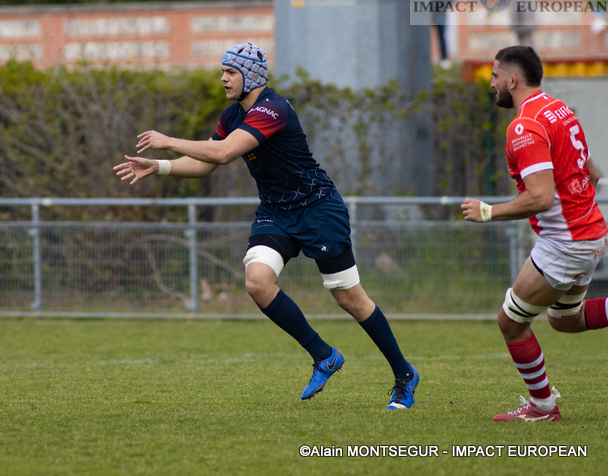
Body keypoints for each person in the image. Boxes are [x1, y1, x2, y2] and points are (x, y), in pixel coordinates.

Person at [114, 43, 419, 409]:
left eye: (231, 72)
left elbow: (223, 153)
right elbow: (206, 164)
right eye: (223, 71)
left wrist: (166, 142)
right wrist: (159, 166)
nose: (223, 78)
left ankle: (404, 375)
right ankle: (324, 356)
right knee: (257, 281)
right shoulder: (231, 116)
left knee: (349, 298)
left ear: (251, 76)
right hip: (275, 212)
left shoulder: (272, 109)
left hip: (318, 209)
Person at [462, 46, 608, 421]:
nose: (492, 84)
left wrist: (487, 212)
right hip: (590, 234)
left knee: (510, 322)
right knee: (565, 320)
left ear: (513, 80)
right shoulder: (560, 110)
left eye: (495, 76)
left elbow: (540, 198)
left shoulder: (524, 126)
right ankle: (542, 406)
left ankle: (542, 407)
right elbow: (592, 175)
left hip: (566, 243)